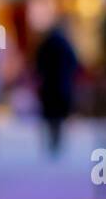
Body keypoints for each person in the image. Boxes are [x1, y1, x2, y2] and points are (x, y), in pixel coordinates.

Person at [34, 22, 80, 156]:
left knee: (50, 117)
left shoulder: (45, 45)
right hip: (61, 86)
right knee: (59, 117)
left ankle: (51, 142)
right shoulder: (66, 45)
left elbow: (38, 65)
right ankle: (57, 142)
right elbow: (74, 64)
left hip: (48, 86)